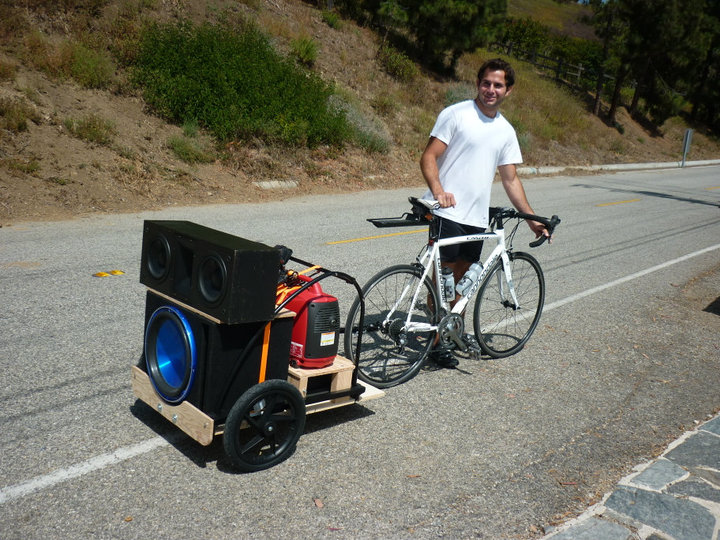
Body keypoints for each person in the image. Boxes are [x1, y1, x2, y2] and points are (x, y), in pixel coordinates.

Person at [419, 58, 550, 368]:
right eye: (486, 83)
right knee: (444, 281)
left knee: (464, 282)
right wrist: (439, 192)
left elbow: (510, 179)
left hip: (476, 219)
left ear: (509, 90)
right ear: (478, 84)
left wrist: (532, 219)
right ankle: (435, 341)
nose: (491, 89)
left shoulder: (505, 131)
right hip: (447, 212)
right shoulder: (457, 114)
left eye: (498, 85)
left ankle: (451, 334)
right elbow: (428, 157)